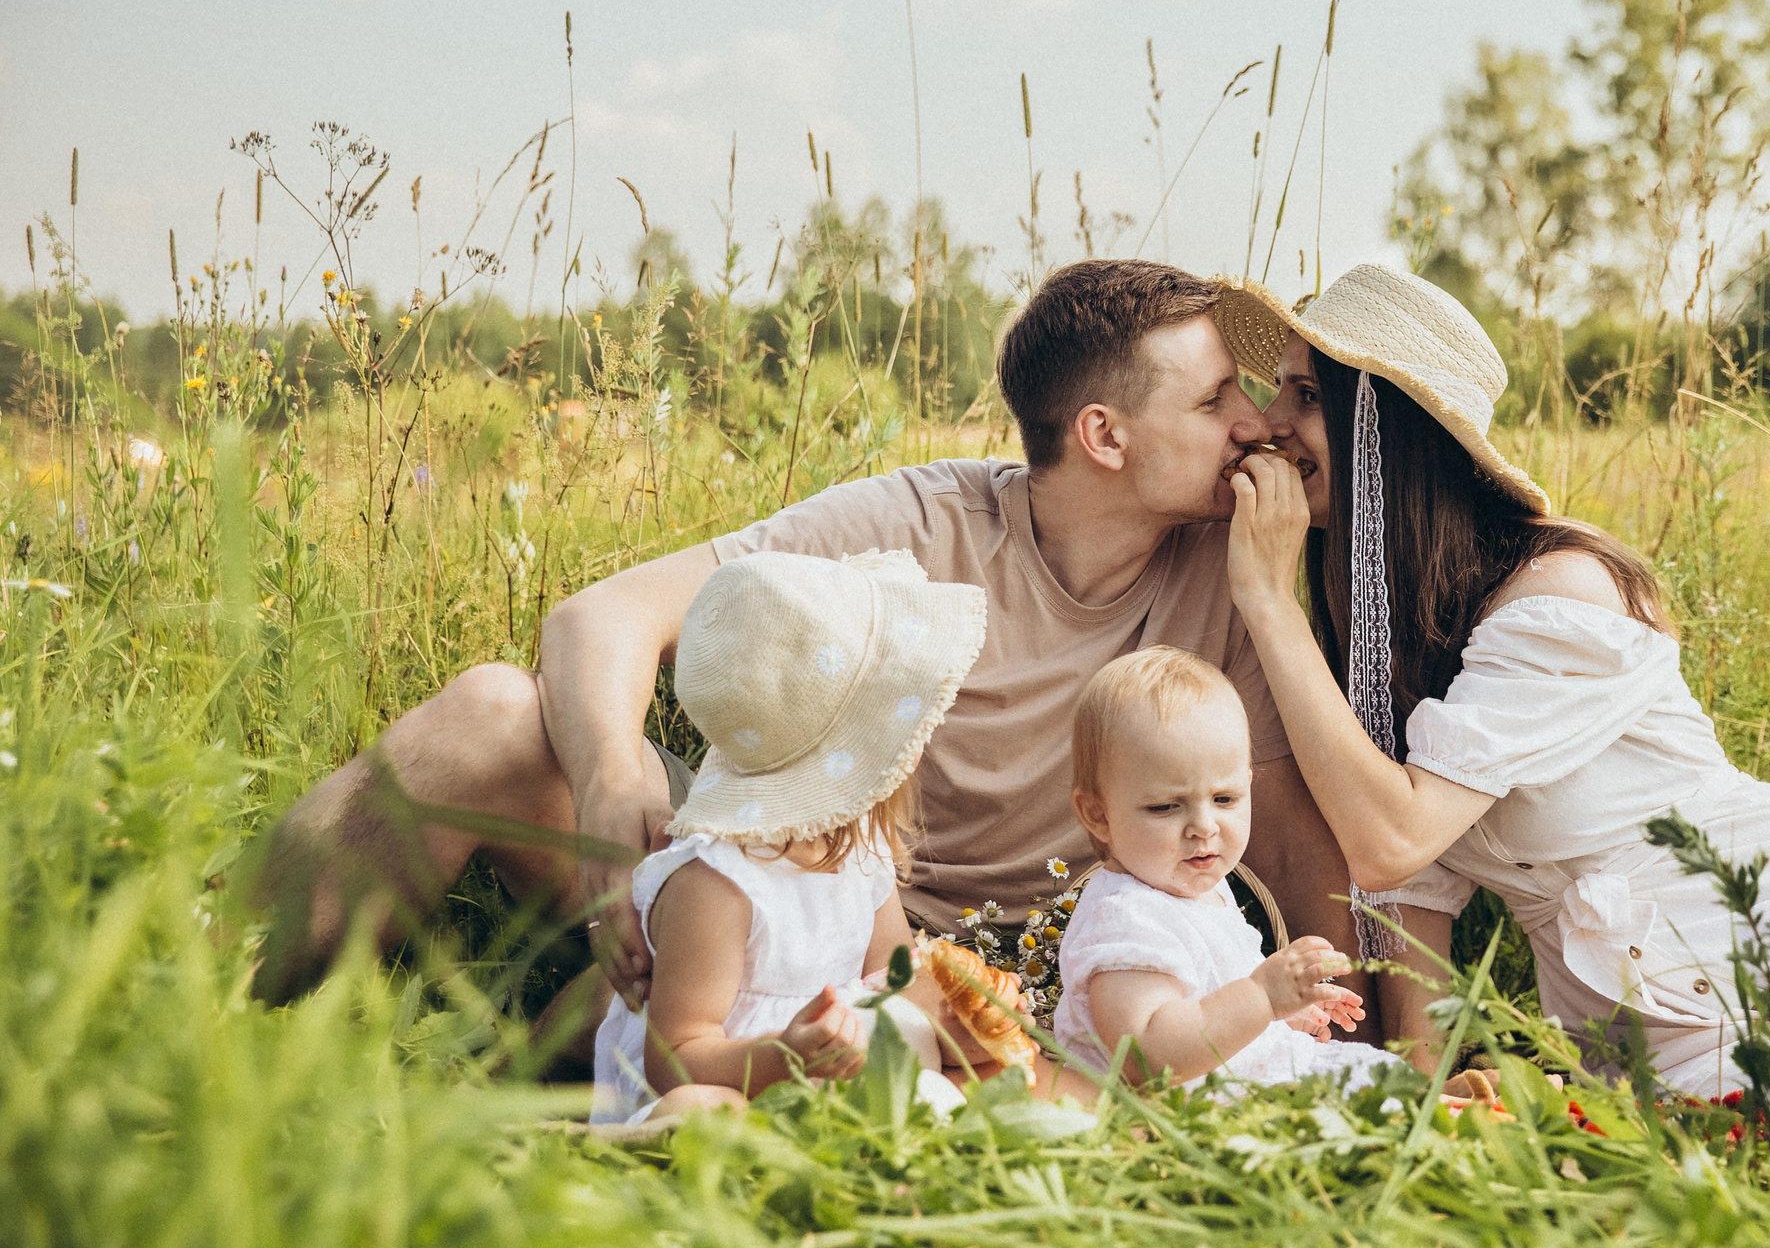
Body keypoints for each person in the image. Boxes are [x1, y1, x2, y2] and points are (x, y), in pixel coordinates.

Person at [252, 259, 1432, 1050]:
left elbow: (1289, 833)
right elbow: (597, 616)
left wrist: (1367, 1053)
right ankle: (187, 993)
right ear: (1104, 436)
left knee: (614, 1033)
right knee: (491, 716)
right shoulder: (920, 523)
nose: (1254, 425)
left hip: (1024, 998)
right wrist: (615, 768)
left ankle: (588, 1052)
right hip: (804, 913)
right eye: (1218, 397)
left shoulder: (1237, 570)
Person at [1210, 264, 1770, 1099]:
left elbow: (1393, 836)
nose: (1268, 423)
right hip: (1645, 1017)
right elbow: (1407, 884)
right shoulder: (1403, 624)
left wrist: (1268, 601)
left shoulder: (1559, 597)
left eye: (1306, 395)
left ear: (1383, 424)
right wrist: (1419, 1094)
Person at [592, 549, 980, 1124]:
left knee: (943, 1092)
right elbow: (674, 1056)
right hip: (726, 1079)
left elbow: (892, 975)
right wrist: (781, 1059)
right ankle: (637, 1153)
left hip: (822, 1082)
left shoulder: (857, 846)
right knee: (705, 1110)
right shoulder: (720, 884)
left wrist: (955, 1018)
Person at [1050, 646, 1393, 1091]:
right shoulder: (1124, 918)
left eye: (1225, 799)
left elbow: (1208, 1005)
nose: (1204, 827)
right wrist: (1260, 998)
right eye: (1165, 806)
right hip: (1179, 1118)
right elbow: (1145, 1058)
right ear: (1098, 814)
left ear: (1249, 784)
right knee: (1367, 1099)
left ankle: (1450, 1100)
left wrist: (1280, 1017)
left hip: (1242, 1085)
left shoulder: (1199, 885)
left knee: (1375, 1076)